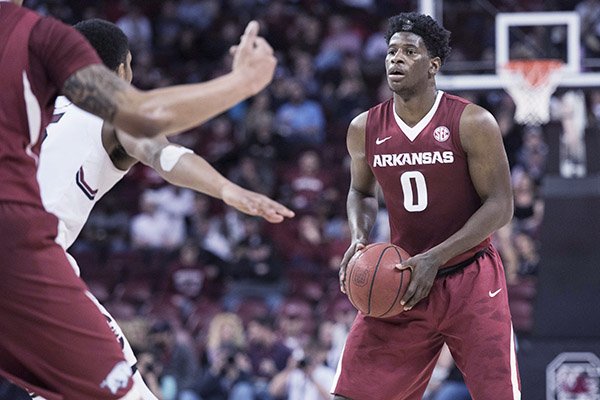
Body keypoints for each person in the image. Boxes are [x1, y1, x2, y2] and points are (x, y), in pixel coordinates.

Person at [0, 0, 284, 398]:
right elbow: (164, 154)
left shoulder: (31, 100)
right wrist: (226, 188)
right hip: (24, 260)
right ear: (121, 72)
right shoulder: (110, 115)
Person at [334, 12, 520, 400]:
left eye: (408, 51)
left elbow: (500, 206)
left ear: (433, 65)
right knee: (352, 393)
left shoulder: (472, 122)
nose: (395, 59)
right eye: (391, 51)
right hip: (402, 278)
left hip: (470, 277)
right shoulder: (363, 128)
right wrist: (359, 237)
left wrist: (436, 256)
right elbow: (361, 192)